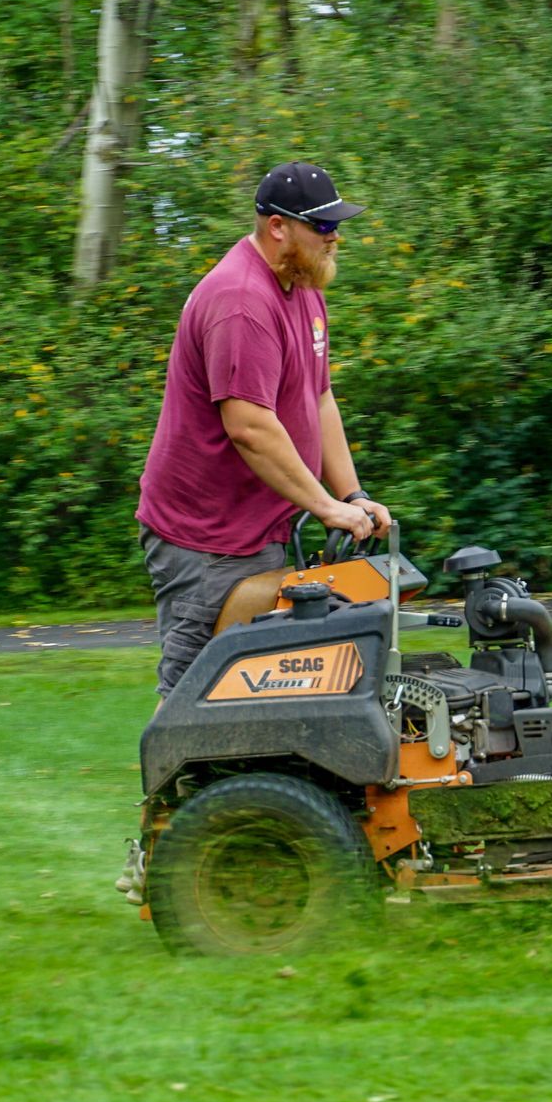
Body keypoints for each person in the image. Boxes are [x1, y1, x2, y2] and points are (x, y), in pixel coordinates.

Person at [136, 161, 391, 701]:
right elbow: (249, 427)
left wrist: (352, 495)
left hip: (260, 530)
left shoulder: (302, 287)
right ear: (278, 226)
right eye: (322, 227)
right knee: (197, 699)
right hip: (209, 541)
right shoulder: (242, 302)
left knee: (266, 695)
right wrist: (325, 508)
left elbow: (318, 398)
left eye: (335, 224)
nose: (335, 236)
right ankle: (182, 790)